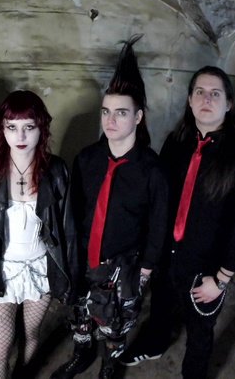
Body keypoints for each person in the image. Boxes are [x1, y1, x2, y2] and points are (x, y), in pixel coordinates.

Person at [120, 66, 235, 378]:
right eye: (199, 92)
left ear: (229, 103)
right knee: (160, 306)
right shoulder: (176, 142)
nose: (206, 99)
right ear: (189, 100)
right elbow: (160, 200)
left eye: (215, 93)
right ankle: (155, 343)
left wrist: (221, 279)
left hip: (207, 267)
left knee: (200, 330)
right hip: (168, 254)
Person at [51, 36, 168, 379]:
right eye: (106, 111)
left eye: (121, 113)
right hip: (83, 257)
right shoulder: (86, 159)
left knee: (115, 321)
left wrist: (146, 268)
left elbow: (159, 222)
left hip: (123, 264)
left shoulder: (152, 169)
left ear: (138, 117)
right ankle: (82, 353)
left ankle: (109, 365)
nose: (110, 120)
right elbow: (73, 211)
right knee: (80, 314)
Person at [0, 90, 77, 379]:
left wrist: (70, 276)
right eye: (12, 127)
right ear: (2, 129)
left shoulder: (56, 169)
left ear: (41, 128)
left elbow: (68, 228)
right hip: (1, 270)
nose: (20, 136)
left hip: (40, 269)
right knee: (1, 344)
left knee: (31, 334)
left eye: (29, 127)